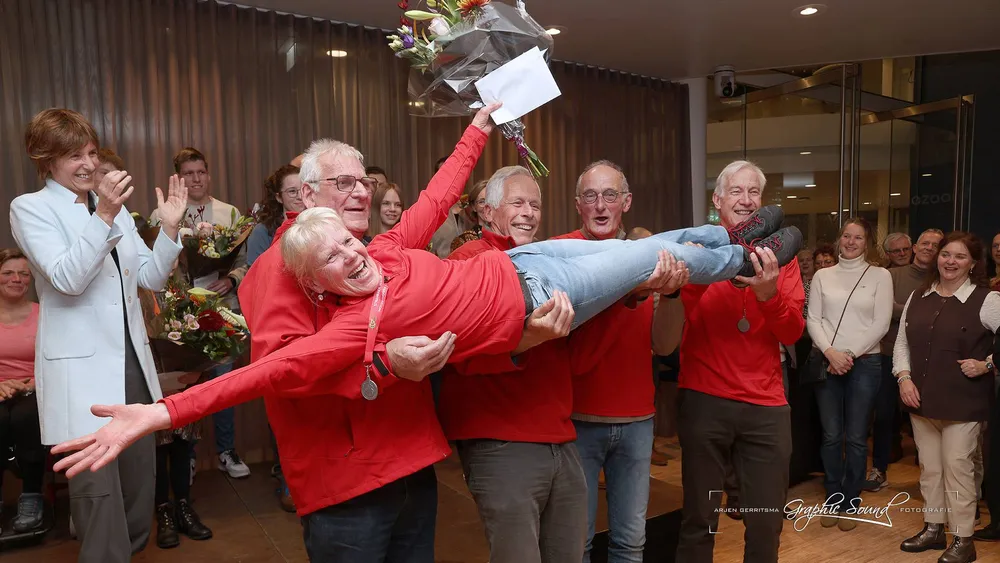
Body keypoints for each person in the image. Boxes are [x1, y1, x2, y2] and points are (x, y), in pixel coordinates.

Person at [53, 132, 802, 490]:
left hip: (525, 264)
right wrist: (160, 412)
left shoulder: (387, 249)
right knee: (647, 263)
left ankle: (734, 234)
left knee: (650, 243)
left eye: (350, 243)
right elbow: (267, 373)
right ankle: (743, 259)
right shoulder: (359, 326)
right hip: (536, 300)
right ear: (319, 283)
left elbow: (440, 195)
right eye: (335, 261)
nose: (352, 257)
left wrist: (481, 123)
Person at [10, 107, 187, 563]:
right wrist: (104, 214)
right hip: (82, 376)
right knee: (98, 493)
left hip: (132, 365)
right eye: (75, 156)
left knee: (137, 485)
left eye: (91, 152)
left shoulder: (113, 209)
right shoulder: (31, 208)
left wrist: (169, 228)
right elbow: (67, 279)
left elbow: (149, 277)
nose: (89, 164)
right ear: (46, 160)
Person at [675, 160, 805, 563]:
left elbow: (792, 332)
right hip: (705, 399)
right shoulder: (697, 251)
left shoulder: (782, 258)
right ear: (717, 200)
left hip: (765, 406)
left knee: (765, 524)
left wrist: (768, 295)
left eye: (753, 193)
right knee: (700, 520)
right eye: (736, 191)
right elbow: (682, 321)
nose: (746, 200)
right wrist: (707, 266)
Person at [552, 160, 678, 563]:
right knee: (577, 544)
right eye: (590, 196)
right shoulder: (562, 253)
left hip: (637, 421)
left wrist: (671, 295)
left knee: (630, 542)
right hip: (577, 421)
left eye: (610, 195)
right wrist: (630, 294)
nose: (600, 205)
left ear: (626, 202)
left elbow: (664, 346)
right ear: (578, 204)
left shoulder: (649, 256)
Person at [894, 231, 999, 563]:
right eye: (945, 254)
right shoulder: (919, 295)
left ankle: (963, 539)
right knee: (930, 469)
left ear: (973, 264)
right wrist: (904, 378)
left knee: (957, 468)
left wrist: (988, 364)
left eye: (960, 256)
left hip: (963, 403)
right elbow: (902, 343)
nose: (950, 261)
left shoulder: (987, 300)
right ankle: (933, 528)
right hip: (921, 400)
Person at [151, 147, 252, 480]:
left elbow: (243, 262)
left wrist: (230, 280)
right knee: (187, 390)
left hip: (221, 311)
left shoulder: (229, 213)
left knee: (224, 385)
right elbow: (152, 264)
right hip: (181, 316)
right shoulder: (163, 214)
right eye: (188, 174)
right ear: (179, 178)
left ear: (208, 174)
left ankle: (226, 450)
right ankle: (187, 456)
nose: (196, 179)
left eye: (200, 172)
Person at [806, 217, 893, 531]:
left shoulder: (880, 276)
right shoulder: (823, 276)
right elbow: (813, 319)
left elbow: (881, 324)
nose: (851, 242)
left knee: (856, 437)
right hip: (827, 361)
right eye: (846, 236)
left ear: (867, 242)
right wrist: (831, 353)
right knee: (831, 435)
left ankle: (851, 498)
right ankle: (833, 495)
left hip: (865, 363)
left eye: (858, 237)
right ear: (839, 239)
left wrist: (849, 355)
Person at [865, 228, 943, 492]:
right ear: (916, 247)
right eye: (924, 243)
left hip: (929, 358)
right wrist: (918, 312)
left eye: (935, 245)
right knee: (884, 415)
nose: (929, 248)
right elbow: (881, 309)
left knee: (929, 417)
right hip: (889, 354)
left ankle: (931, 476)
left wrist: (901, 310)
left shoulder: (943, 277)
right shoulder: (891, 275)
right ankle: (879, 469)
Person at [0, 248, 45, 534]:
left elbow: (54, 359)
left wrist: (36, 383)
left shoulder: (43, 314)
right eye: (8, 273)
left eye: (23, 274)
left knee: (27, 418)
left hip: (35, 388)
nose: (16, 279)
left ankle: (31, 496)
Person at [247, 164, 303, 267]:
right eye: (292, 191)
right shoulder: (263, 232)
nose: (300, 196)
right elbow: (257, 273)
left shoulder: (318, 225)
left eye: (303, 189)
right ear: (279, 197)